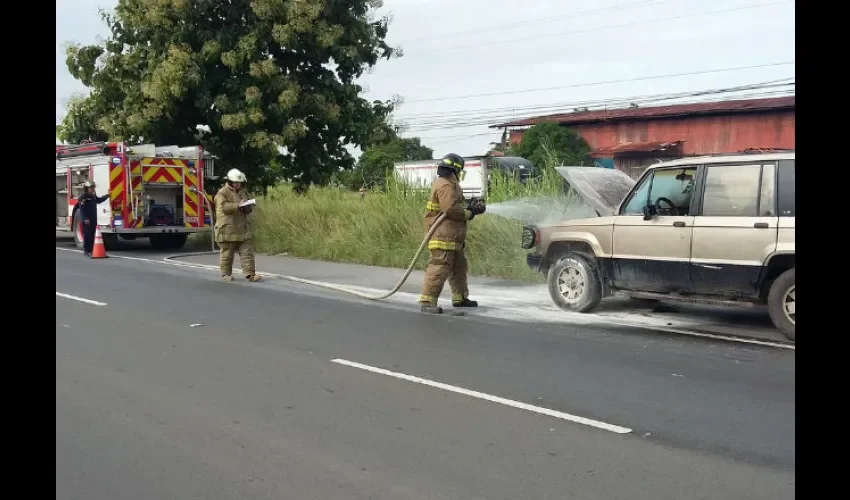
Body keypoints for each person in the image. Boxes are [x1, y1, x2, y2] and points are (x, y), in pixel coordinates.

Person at [419, 153, 486, 314]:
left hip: (453, 236)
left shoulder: (450, 184)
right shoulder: (445, 185)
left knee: (459, 268)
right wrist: (469, 213)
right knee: (439, 267)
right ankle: (428, 301)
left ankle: (460, 298)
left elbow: (455, 205)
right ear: (454, 170)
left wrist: (472, 207)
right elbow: (449, 209)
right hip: (442, 236)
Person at [214, 168, 263, 283]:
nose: (238, 185)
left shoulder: (243, 192)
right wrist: (237, 205)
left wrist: (247, 206)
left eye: (239, 183)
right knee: (227, 253)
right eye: (236, 183)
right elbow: (223, 207)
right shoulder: (222, 193)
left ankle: (250, 274)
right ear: (230, 182)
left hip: (242, 228)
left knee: (247, 252)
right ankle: (226, 274)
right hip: (227, 229)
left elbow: (248, 208)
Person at [77, 181, 109, 258]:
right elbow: (82, 209)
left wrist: (107, 195)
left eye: (93, 187)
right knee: (87, 235)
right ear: (87, 188)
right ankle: (87, 251)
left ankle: (92, 250)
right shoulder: (83, 197)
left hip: (93, 218)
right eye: (91, 187)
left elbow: (98, 200)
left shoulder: (93, 196)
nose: (93, 189)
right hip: (86, 220)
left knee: (93, 235)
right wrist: (85, 219)